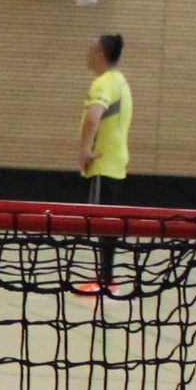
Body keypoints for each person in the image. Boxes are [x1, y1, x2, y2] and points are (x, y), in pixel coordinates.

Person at [75, 33, 134, 296]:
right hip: (117, 162)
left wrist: (85, 150)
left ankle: (106, 280)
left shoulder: (103, 83)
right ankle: (107, 278)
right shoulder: (120, 81)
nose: (88, 52)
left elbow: (92, 118)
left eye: (92, 48)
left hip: (103, 163)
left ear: (101, 53)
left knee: (104, 224)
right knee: (109, 222)